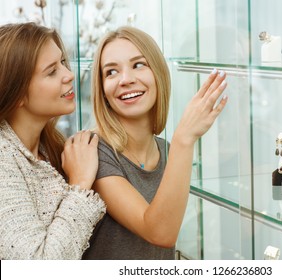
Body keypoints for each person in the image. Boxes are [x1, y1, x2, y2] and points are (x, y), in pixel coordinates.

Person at [82, 26, 228, 260]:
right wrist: (185, 138)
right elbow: (160, 233)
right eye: (111, 72)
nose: (126, 80)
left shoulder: (166, 150)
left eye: (138, 65)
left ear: (158, 74)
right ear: (103, 90)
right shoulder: (95, 152)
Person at [0, 22, 106, 259]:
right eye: (51, 71)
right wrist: (79, 185)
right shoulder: (3, 161)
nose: (69, 75)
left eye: (63, 63)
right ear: (16, 93)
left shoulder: (50, 147)